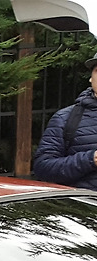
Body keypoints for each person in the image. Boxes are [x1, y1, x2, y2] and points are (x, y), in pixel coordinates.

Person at [34, 51, 97, 190]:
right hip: (84, 203)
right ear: (91, 78)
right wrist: (90, 159)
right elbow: (43, 168)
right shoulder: (66, 118)